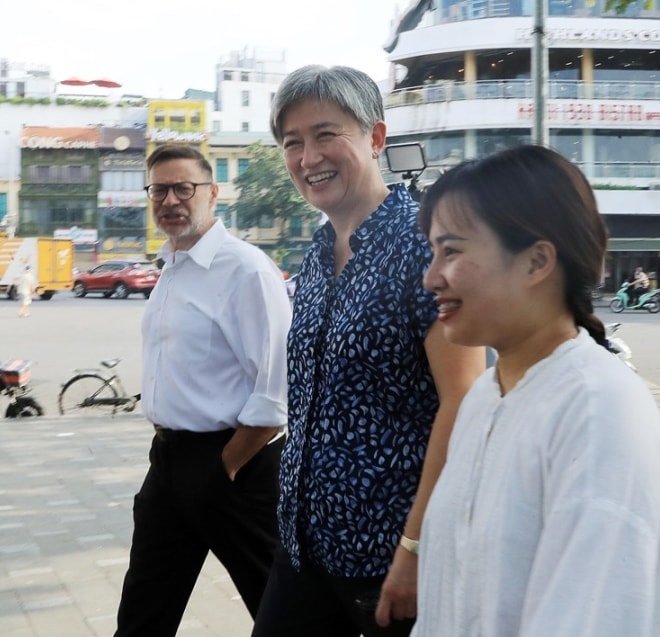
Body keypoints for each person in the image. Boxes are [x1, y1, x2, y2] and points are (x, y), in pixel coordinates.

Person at [412, 145, 660, 636]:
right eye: (434, 252)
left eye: (453, 251)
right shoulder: (486, 397)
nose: (430, 277)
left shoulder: (599, 412)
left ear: (536, 262)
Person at [251, 65, 485, 637]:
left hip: (388, 555)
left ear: (375, 138)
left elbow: (464, 399)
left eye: (327, 135)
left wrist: (415, 545)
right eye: (293, 143)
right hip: (305, 545)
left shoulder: (423, 243)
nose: (309, 157)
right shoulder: (317, 249)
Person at [114, 144, 292, 636]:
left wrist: (223, 467)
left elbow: (274, 393)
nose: (170, 199)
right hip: (168, 462)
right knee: (143, 611)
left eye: (183, 188)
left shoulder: (247, 270)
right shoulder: (171, 266)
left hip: (234, 468)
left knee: (279, 611)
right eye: (159, 189)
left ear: (212, 194)